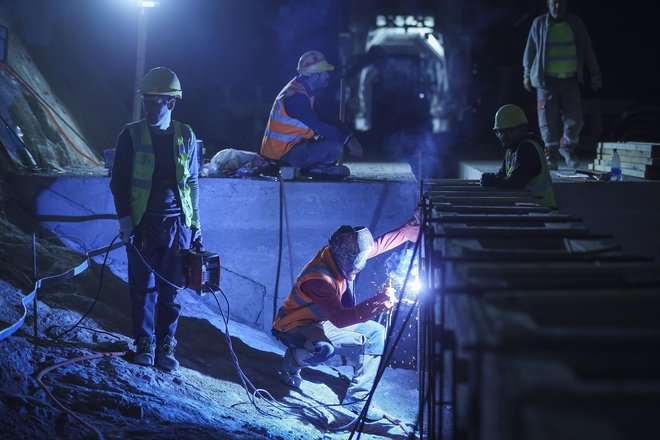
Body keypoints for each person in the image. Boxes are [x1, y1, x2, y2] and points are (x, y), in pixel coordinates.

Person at [272, 212, 419, 421]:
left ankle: (357, 402)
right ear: (347, 256)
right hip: (296, 323)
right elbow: (341, 319)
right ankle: (290, 366)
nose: (362, 262)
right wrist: (376, 304)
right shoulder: (320, 278)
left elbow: (378, 245)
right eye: (359, 259)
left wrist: (408, 229)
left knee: (376, 333)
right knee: (323, 350)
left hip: (324, 321)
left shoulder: (342, 256)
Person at [110, 67, 202, 371]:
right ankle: (145, 343)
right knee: (142, 288)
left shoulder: (186, 135)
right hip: (142, 223)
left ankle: (166, 344)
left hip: (178, 226)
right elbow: (119, 182)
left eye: (156, 102)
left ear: (171, 103)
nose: (149, 107)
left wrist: (196, 225)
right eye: (147, 100)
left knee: (171, 290)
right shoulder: (131, 134)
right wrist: (125, 223)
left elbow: (192, 184)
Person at [523, 0, 602, 170]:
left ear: (566, 4)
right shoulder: (539, 24)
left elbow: (587, 48)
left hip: (570, 80)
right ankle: (551, 153)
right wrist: (526, 75)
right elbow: (529, 51)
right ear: (548, 3)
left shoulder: (575, 23)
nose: (557, 6)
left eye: (561, 2)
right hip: (546, 82)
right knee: (547, 119)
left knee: (576, 119)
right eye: (554, 2)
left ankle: (566, 147)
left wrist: (595, 73)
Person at [260, 50, 364, 178]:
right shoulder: (296, 97)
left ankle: (315, 167)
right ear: (315, 75)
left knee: (331, 136)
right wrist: (347, 141)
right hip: (281, 157)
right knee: (335, 147)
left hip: (287, 149)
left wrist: (350, 136)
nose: (328, 76)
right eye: (325, 72)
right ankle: (316, 170)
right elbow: (318, 125)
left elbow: (328, 117)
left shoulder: (302, 90)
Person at [481, 104, 557, 210]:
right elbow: (502, 176)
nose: (503, 136)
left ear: (522, 129)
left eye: (509, 131)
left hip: (543, 213)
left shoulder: (527, 148)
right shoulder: (511, 150)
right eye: (499, 132)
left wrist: (492, 181)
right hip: (530, 211)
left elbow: (516, 182)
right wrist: (492, 178)